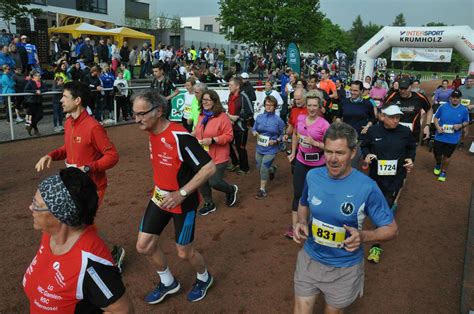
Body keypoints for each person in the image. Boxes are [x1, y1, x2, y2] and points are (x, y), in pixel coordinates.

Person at [293, 122, 398, 314]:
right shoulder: (312, 176)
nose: (332, 159)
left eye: (340, 153)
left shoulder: (367, 187)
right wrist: (301, 221)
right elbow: (303, 203)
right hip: (310, 259)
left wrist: (363, 236)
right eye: (329, 151)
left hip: (345, 268)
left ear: (352, 152)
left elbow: (391, 229)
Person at [131, 90, 216, 304]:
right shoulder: (151, 132)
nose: (137, 119)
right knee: (144, 246)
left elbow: (208, 168)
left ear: (159, 111)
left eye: (141, 114)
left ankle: (204, 277)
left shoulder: (181, 138)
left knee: (184, 253)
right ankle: (168, 282)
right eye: (135, 114)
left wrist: (181, 193)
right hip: (159, 198)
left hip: (183, 202)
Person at [34, 81, 125, 271]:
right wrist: (50, 155)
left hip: (93, 187)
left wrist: (88, 168)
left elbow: (112, 156)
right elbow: (68, 148)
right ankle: (103, 254)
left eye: (65, 96)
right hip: (74, 188)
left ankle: (112, 253)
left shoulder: (93, 127)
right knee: (77, 224)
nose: (60, 100)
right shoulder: (69, 123)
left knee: (82, 225)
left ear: (77, 100)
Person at [24, 168, 134, 313]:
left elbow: (124, 310)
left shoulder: (90, 264)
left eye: (37, 205)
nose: (30, 207)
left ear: (59, 215)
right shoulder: (50, 235)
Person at [360, 103, 416, 264]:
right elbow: (364, 145)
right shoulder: (373, 131)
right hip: (376, 176)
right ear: (382, 117)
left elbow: (411, 148)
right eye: (392, 117)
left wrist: (410, 159)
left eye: (398, 117)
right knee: (373, 204)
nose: (396, 120)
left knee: (385, 205)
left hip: (396, 176)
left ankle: (376, 245)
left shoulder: (405, 132)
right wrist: (367, 154)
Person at [286, 92, 330, 239]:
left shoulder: (324, 124)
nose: (311, 108)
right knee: (297, 193)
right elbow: (295, 135)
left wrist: (315, 143)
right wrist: (293, 152)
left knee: (316, 197)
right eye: (309, 105)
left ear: (319, 107)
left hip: (318, 165)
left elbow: (330, 147)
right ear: (306, 105)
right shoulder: (300, 119)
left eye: (314, 106)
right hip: (301, 161)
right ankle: (294, 227)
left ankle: (312, 226)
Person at [193, 89, 238, 215]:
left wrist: (213, 140)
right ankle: (209, 203)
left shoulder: (222, 117)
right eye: (203, 100)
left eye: (208, 100)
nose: (205, 102)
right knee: (201, 180)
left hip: (219, 156)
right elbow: (198, 131)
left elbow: (229, 136)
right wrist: (190, 135)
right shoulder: (202, 115)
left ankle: (230, 190)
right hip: (203, 155)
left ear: (214, 101)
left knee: (214, 181)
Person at [336, 80, 376, 168]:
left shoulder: (367, 104)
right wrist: (339, 126)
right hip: (345, 137)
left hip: (360, 138)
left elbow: (373, 118)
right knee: (342, 162)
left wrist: (368, 126)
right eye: (351, 90)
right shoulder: (344, 102)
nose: (352, 92)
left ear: (361, 91)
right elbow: (338, 116)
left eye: (355, 90)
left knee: (353, 164)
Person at [432, 89, 470, 182]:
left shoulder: (464, 109)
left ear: (460, 98)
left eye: (457, 97)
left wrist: (460, 125)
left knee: (447, 156)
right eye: (453, 97)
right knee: (436, 153)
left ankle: (443, 172)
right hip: (440, 136)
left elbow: (466, 121)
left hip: (452, 138)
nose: (455, 99)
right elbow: (436, 118)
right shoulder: (443, 107)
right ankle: (438, 163)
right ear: (450, 98)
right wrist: (437, 127)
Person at [252, 95, 285, 199]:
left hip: (271, 149)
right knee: (259, 167)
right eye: (267, 105)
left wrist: (276, 141)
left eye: (271, 105)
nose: (268, 107)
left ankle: (262, 190)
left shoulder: (278, 120)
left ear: (275, 106)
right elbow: (254, 128)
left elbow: (283, 135)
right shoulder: (259, 117)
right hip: (259, 147)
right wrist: (254, 132)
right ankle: (272, 169)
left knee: (263, 169)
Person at [385, 77, 432, 142]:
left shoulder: (420, 97)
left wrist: (427, 125)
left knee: (410, 151)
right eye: (401, 89)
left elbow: (429, 109)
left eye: (405, 89)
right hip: (394, 133)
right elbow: (383, 110)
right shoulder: (393, 96)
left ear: (411, 87)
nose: (402, 91)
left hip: (412, 135)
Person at [226, 77, 254, 175]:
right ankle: (235, 162)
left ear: (237, 86)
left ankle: (244, 168)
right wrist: (229, 118)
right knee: (226, 144)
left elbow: (250, 113)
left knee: (240, 147)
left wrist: (237, 117)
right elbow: (230, 109)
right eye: (229, 85)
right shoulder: (230, 95)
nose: (229, 86)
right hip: (230, 126)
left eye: (231, 85)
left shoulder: (243, 96)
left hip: (241, 128)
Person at [24, 70, 47, 136]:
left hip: (39, 101)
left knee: (40, 115)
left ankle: (29, 126)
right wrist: (35, 91)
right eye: (38, 75)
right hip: (31, 101)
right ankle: (35, 130)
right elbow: (26, 90)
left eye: (40, 75)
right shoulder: (30, 82)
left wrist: (39, 91)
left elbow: (46, 89)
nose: (40, 76)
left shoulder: (41, 82)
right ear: (34, 76)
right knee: (31, 116)